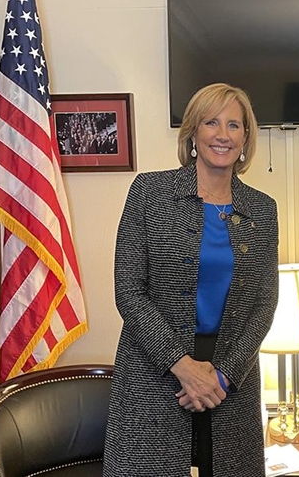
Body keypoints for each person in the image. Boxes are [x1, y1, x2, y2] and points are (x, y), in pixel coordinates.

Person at [104, 83, 279, 477]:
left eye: (234, 125)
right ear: (193, 133)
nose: (223, 134)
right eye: (211, 122)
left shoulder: (263, 209)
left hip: (230, 378)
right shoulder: (149, 192)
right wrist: (181, 365)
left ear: (245, 138)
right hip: (154, 370)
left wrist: (223, 376)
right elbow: (129, 291)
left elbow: (265, 303)